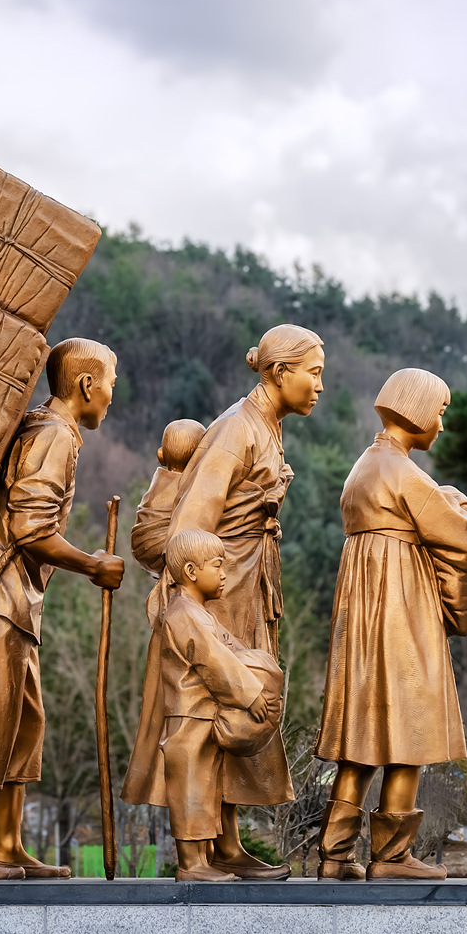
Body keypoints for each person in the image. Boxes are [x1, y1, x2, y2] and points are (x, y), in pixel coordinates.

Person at [130, 325, 324, 879]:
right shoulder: (237, 429)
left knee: (238, 716)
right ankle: (202, 851)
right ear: (280, 372)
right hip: (218, 593)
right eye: (313, 373)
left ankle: (227, 843)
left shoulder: (267, 426)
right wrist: (192, 599)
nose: (318, 386)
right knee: (211, 714)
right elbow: (191, 526)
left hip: (247, 586)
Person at [0, 338, 126, 879]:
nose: (112, 395)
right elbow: (30, 528)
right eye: (110, 383)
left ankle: (7, 845)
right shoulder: (53, 435)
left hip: (19, 600)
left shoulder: (51, 431)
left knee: (21, 720)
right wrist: (92, 565)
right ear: (86, 384)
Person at [314, 369, 467, 879]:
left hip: (364, 607)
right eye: (439, 413)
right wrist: (462, 507)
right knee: (409, 721)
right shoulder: (401, 472)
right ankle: (391, 857)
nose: (442, 425)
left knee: (362, 737)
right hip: (399, 604)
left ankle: (335, 854)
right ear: (415, 410)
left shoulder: (365, 467)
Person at [151, 529, 281, 881]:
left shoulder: (201, 613)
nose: (224, 574)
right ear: (191, 572)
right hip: (189, 718)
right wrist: (251, 694)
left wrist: (263, 668)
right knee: (190, 789)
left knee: (207, 787)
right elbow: (216, 661)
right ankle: (191, 864)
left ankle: (206, 858)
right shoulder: (184, 614)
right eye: (218, 566)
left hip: (206, 716)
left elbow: (232, 651)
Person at [129, 419, 205, 575]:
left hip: (143, 549)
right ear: (202, 458)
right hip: (171, 553)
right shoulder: (196, 491)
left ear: (160, 455)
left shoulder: (156, 488)